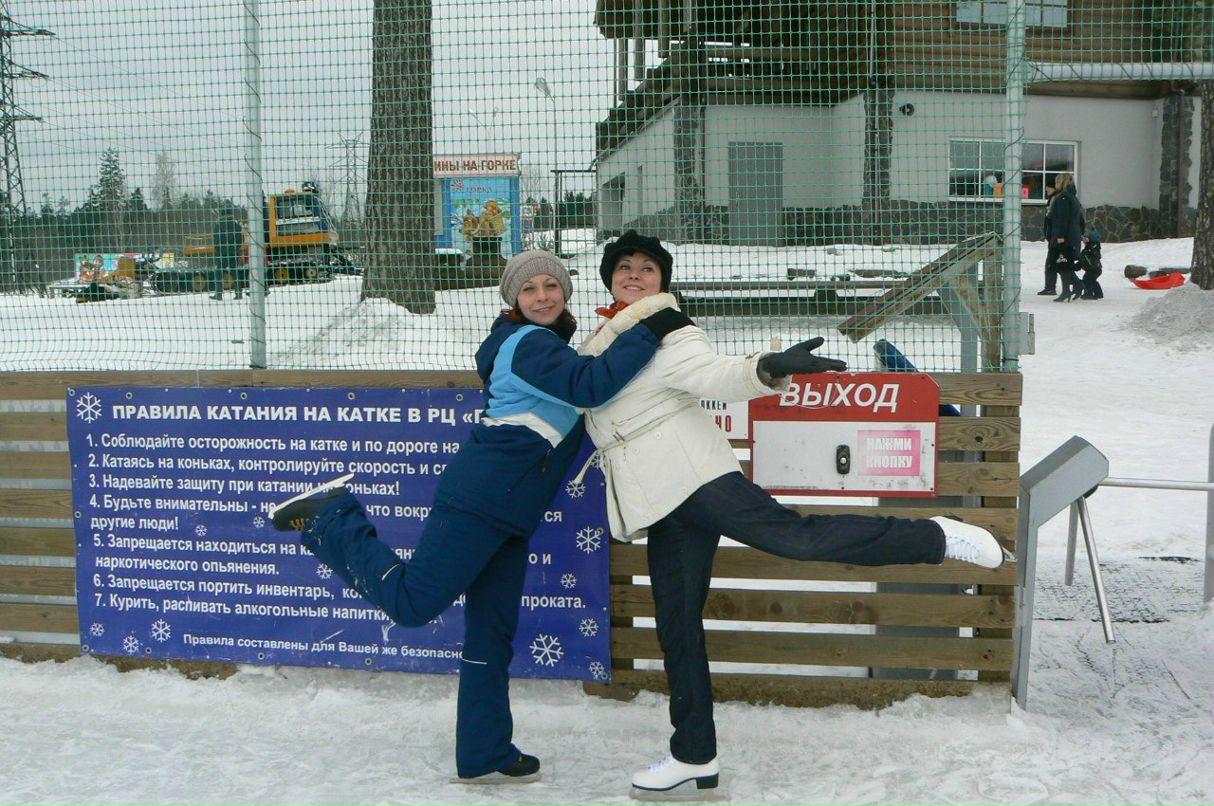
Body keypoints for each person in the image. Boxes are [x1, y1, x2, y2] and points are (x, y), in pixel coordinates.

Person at [578, 230, 1009, 796]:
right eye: (625, 267)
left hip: (699, 480)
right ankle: (694, 754)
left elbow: (712, 374)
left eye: (647, 269)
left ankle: (936, 536)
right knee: (676, 627)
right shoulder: (601, 340)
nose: (634, 275)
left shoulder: (667, 328)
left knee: (799, 540)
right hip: (661, 502)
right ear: (610, 276)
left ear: (664, 280)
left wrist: (764, 367)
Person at [266, 250, 692, 784]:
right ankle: (328, 516)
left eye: (550, 285)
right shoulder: (528, 343)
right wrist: (653, 324)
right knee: (414, 602)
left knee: (492, 634)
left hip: (512, 514)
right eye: (529, 289)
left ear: (564, 292)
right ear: (513, 301)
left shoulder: (550, 346)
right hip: (480, 502)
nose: (542, 295)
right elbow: (591, 386)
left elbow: (598, 382)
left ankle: (483, 750)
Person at [1044, 173, 1086, 303]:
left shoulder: (1063, 198)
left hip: (1063, 236)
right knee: (1064, 263)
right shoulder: (1072, 197)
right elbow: (1079, 219)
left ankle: (1070, 288)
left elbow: (1062, 219)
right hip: (1072, 235)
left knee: (1060, 263)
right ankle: (1070, 288)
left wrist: (1060, 236)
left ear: (1060, 182)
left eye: (1057, 182)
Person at [210, 212, 243, 301]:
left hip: (222, 254)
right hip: (234, 253)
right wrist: (235, 249)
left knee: (218, 273)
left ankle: (219, 294)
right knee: (235, 272)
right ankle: (239, 293)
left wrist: (219, 251)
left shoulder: (219, 226)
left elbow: (216, 240)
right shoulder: (237, 226)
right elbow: (241, 240)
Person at [1078, 227, 1104, 300]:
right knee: (1092, 280)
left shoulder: (1093, 247)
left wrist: (1088, 251)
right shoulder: (1088, 248)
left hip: (1094, 268)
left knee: (1087, 279)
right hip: (1093, 268)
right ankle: (1098, 293)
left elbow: (1096, 255)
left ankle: (1089, 293)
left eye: (1085, 238)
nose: (1083, 240)